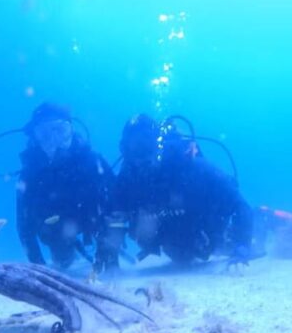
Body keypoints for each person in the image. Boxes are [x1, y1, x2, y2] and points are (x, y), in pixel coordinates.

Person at [113, 114, 256, 265]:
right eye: (133, 146)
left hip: (210, 233)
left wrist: (242, 248)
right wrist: (109, 258)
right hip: (174, 244)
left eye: (145, 143)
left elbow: (240, 204)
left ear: (157, 143)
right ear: (124, 149)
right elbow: (112, 221)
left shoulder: (193, 168)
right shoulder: (126, 182)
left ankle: (264, 218)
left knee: (229, 241)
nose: (139, 153)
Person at [15, 102, 116, 270]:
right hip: (56, 230)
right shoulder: (29, 174)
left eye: (60, 131)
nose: (54, 140)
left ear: (71, 130)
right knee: (62, 261)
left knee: (109, 258)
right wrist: (40, 270)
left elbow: (116, 201)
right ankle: (65, 251)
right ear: (35, 137)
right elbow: (24, 227)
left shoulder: (92, 160)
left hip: (93, 222)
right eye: (44, 134)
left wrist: (111, 252)